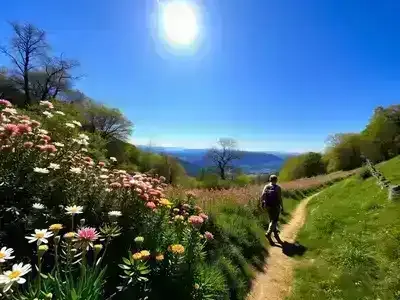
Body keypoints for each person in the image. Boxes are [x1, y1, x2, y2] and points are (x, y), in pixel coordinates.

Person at [260, 174, 284, 246]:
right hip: (275, 206)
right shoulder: (278, 188)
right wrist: (282, 207)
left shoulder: (266, 186)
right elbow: (279, 198)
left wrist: (262, 204)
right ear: (276, 180)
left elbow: (262, 196)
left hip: (268, 206)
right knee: (274, 221)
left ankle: (276, 236)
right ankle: (268, 233)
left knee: (272, 220)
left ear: (270, 180)